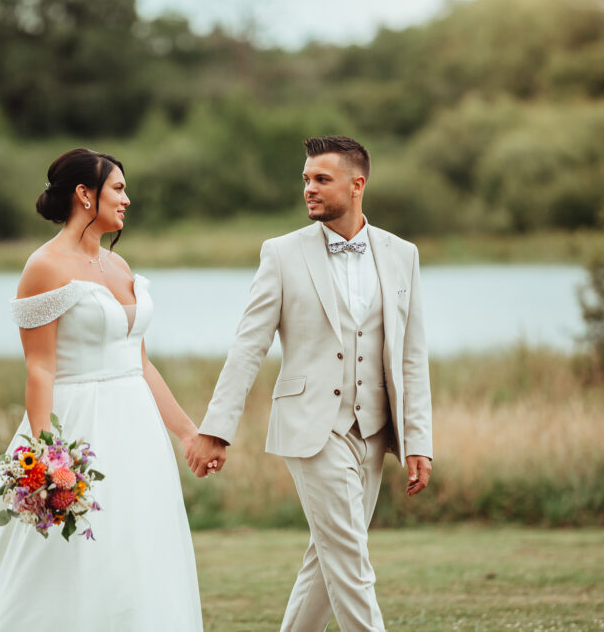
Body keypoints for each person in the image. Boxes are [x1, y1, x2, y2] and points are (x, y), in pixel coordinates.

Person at [0, 148, 207, 631]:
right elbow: (39, 369)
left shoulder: (119, 266)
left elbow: (139, 361)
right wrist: (46, 458)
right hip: (80, 425)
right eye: (118, 189)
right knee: (69, 557)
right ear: (85, 194)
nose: (127, 199)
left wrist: (186, 433)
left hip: (137, 428)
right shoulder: (44, 267)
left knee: (139, 547)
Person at [185, 135, 434, 632]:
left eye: (322, 179)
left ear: (356, 184)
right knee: (350, 559)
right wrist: (217, 428)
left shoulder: (402, 254)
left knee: (328, 560)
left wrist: (418, 440)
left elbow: (411, 355)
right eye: (306, 179)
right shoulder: (281, 254)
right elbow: (248, 346)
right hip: (311, 427)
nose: (309, 189)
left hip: (372, 431)